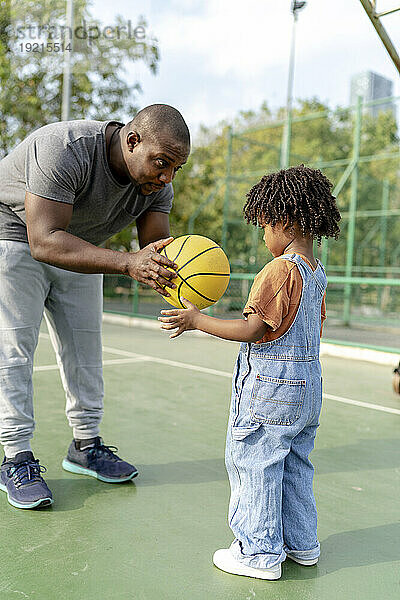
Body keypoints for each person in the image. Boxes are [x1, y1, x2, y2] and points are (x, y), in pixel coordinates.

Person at [0, 104, 190, 509]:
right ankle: (15, 457)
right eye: (162, 163)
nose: (167, 176)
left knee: (86, 352)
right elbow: (45, 240)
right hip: (15, 235)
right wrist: (127, 263)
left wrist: (183, 276)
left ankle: (85, 446)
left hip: (80, 247)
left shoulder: (157, 185)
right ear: (132, 141)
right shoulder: (65, 147)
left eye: (176, 168)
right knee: (14, 351)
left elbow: (154, 251)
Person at [159, 165, 341, 580]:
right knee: (295, 463)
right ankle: (302, 545)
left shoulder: (279, 270)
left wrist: (196, 320)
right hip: (308, 388)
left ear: (286, 221)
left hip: (273, 390)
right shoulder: (317, 273)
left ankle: (257, 553)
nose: (263, 237)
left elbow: (253, 330)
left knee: (254, 461)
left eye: (264, 227)